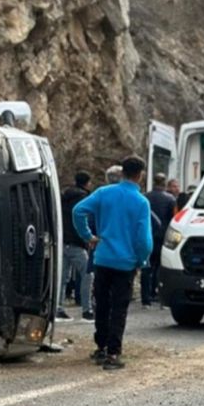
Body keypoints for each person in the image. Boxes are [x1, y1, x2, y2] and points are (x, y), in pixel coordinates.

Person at [73, 156, 153, 370]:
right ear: (140, 175)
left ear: (123, 172)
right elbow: (144, 240)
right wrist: (141, 259)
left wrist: (88, 236)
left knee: (102, 304)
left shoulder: (103, 193)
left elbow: (78, 211)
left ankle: (100, 346)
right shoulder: (141, 202)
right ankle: (113, 353)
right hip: (125, 263)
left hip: (103, 258)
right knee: (119, 308)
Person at [59, 171, 94, 322]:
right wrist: (88, 237)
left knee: (63, 277)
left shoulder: (64, 196)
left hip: (63, 241)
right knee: (87, 274)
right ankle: (87, 310)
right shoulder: (84, 199)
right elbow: (84, 220)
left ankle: (58, 308)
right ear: (87, 183)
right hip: (76, 243)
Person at [143, 173, 175, 308]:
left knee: (147, 266)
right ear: (164, 183)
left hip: (148, 234)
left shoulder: (145, 197)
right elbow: (173, 218)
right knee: (160, 266)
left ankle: (146, 297)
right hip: (162, 236)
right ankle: (157, 293)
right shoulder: (170, 199)